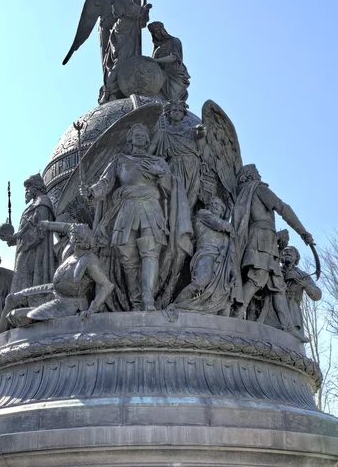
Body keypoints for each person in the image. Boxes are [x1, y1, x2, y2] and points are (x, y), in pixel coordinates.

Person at [82, 123, 192, 311]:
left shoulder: (157, 162)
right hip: (127, 206)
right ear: (130, 139)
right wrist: (93, 191)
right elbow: (105, 183)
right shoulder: (119, 160)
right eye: (136, 134)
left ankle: (148, 299)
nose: (140, 137)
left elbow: (171, 188)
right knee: (127, 254)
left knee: (150, 251)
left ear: (148, 140)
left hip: (151, 205)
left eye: (143, 135)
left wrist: (162, 176)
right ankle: (135, 301)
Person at [232, 164, 314, 342]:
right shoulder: (258, 188)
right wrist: (303, 232)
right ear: (249, 176)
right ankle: (238, 312)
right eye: (256, 173)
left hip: (266, 241)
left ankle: (288, 327)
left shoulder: (243, 193)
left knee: (278, 285)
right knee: (258, 278)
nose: (259, 175)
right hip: (261, 241)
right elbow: (282, 208)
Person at [172, 196, 238, 315]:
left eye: (217, 204)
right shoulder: (203, 214)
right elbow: (220, 225)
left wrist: (234, 272)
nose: (213, 205)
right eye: (211, 203)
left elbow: (231, 253)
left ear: (222, 210)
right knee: (199, 283)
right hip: (206, 253)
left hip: (222, 260)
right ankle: (175, 306)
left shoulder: (225, 233)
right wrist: (232, 228)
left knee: (223, 293)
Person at [0, 174, 55, 293]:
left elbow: (40, 232)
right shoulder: (35, 205)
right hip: (27, 251)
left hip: (34, 253)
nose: (26, 191)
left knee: (21, 288)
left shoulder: (43, 204)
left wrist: (19, 238)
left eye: (28, 187)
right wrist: (13, 239)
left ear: (36, 187)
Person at [99, 0, 152, 103]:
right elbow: (131, 10)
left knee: (128, 61)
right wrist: (143, 8)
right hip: (123, 30)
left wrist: (144, 10)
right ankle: (108, 91)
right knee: (120, 62)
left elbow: (137, 15)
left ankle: (127, 86)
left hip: (129, 28)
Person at [148, 100, 206, 211]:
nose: (177, 113)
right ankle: (175, 220)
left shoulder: (191, 132)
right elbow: (150, 151)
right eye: (174, 110)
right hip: (176, 165)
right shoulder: (163, 133)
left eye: (180, 111)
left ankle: (186, 219)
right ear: (168, 113)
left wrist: (202, 129)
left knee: (192, 192)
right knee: (176, 193)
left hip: (193, 166)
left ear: (184, 114)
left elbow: (201, 134)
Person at [280, 245, 322, 337]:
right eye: (284, 251)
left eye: (291, 251)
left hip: (293, 313)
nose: (287, 252)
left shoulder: (302, 275)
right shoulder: (275, 270)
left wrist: (306, 285)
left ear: (297, 257)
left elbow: (318, 295)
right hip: (275, 311)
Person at [148, 21, 190, 102]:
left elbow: (174, 57)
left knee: (173, 101)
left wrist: (155, 60)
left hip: (175, 75)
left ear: (162, 31)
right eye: (153, 33)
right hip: (161, 77)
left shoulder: (174, 41)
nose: (155, 35)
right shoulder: (157, 48)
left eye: (157, 32)